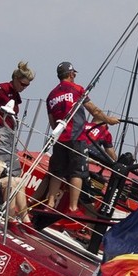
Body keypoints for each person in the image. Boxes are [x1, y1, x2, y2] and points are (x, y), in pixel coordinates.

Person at [44, 61, 120, 217]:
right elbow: (94, 111)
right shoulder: (77, 89)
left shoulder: (51, 95)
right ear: (71, 74)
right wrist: (108, 120)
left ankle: (49, 204)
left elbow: (52, 123)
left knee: (57, 172)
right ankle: (73, 208)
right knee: (77, 173)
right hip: (77, 137)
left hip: (59, 138)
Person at [0, 61, 35, 174]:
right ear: (15, 78)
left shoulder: (16, 95)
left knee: (14, 171)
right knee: (2, 168)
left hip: (9, 135)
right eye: (23, 84)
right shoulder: (4, 87)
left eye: (27, 85)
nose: (24, 87)